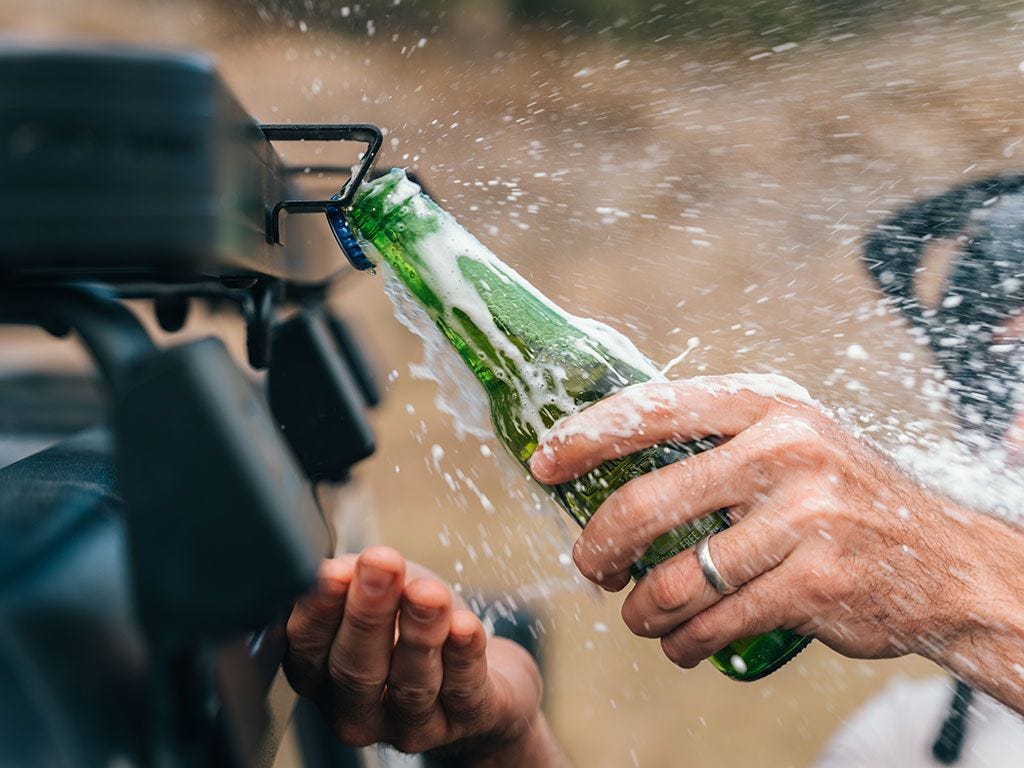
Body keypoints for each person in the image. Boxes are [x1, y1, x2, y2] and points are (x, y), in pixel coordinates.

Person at [285, 176, 1024, 764]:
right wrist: (503, 746)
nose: (1019, 430)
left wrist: (957, 578)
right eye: (1003, 373)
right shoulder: (912, 745)